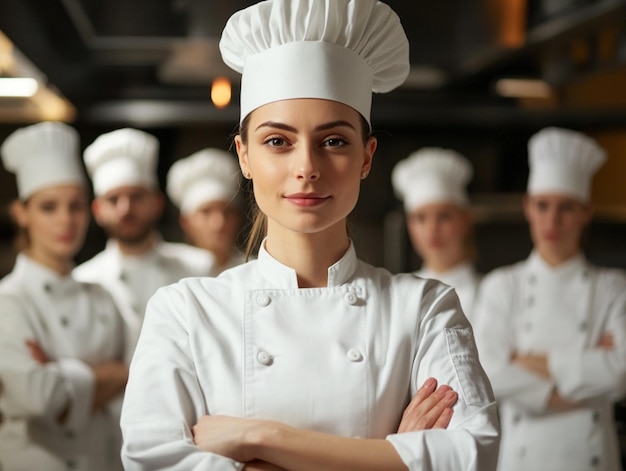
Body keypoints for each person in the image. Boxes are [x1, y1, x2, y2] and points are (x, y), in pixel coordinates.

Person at [120, 1, 500, 470]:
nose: (307, 169)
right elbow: (150, 461)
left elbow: (472, 455)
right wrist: (390, 457)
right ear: (244, 155)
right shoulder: (184, 311)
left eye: (334, 141)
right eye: (277, 141)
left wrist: (260, 438)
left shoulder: (423, 308)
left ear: (366, 156)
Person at [473, 127, 626, 471]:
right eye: (543, 206)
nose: (552, 220)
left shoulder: (613, 287)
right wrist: (587, 373)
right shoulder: (501, 285)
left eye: (566, 208)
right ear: (528, 207)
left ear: (587, 211)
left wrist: (525, 360)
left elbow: (620, 374)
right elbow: (487, 372)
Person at [0, 122, 128, 471]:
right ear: (21, 214)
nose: (66, 220)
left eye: (76, 206)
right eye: (48, 207)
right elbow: (42, 400)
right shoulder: (8, 301)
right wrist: (110, 375)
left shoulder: (103, 297)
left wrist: (62, 375)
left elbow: (138, 385)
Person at [73, 128, 215, 354]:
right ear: (98, 210)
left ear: (157, 202)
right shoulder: (83, 281)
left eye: (136, 196)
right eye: (113, 200)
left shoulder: (199, 268)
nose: (126, 208)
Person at [392, 147, 480, 319]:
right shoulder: (399, 294)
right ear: (410, 225)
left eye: (444, 216)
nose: (432, 228)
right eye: (421, 218)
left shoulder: (492, 293)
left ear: (466, 220)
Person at [166, 148, 245, 276]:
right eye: (206, 212)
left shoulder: (253, 270)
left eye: (227, 212)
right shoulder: (169, 273)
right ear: (185, 221)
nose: (219, 222)